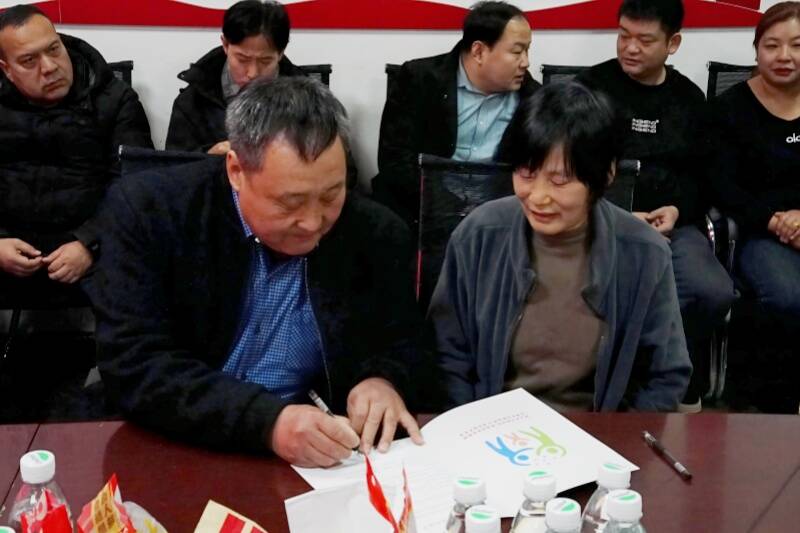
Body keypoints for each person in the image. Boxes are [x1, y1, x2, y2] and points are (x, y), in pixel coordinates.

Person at [87, 76, 425, 466]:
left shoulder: (377, 233)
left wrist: (383, 380)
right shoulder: (150, 212)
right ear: (236, 170)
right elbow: (134, 363)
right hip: (174, 439)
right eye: (290, 202)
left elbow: (403, 342)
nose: (313, 222)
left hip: (318, 453)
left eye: (331, 194)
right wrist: (267, 422)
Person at [428, 81, 691, 412]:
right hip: (494, 427)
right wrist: (472, 425)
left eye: (560, 180)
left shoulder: (645, 254)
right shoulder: (478, 236)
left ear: (606, 174)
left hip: (597, 431)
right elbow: (447, 355)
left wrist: (618, 436)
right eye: (526, 173)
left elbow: (666, 374)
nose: (538, 197)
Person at [577, 0, 734, 411]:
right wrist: (615, 211)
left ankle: (674, 378)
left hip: (674, 224)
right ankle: (625, 384)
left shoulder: (689, 100)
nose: (630, 48)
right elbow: (571, 166)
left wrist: (678, 209)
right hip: (600, 220)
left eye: (645, 40)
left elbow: (705, 176)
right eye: (623, 36)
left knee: (711, 291)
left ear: (672, 43)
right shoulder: (590, 89)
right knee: (616, 289)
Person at [0, 5, 152, 292]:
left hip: (96, 247)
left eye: (53, 49)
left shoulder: (114, 99)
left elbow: (135, 184)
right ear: (6, 70)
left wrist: (90, 243)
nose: (49, 67)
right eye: (29, 60)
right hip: (9, 246)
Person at [372, 0, 539, 232]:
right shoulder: (420, 80)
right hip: (421, 208)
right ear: (479, 51)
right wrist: (446, 205)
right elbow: (395, 160)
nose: (526, 63)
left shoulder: (533, 98)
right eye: (517, 52)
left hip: (495, 215)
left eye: (528, 50)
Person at [708, 1, 800, 412]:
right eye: (772, 45)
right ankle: (772, 408)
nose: (784, 56)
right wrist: (777, 221)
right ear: (756, 50)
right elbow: (722, 186)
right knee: (788, 296)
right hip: (758, 232)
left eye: (797, 45)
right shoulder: (731, 109)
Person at [165, 0, 304, 154]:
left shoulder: (307, 100)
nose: (253, 73)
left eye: (265, 61)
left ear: (281, 53)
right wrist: (208, 157)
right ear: (225, 45)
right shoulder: (193, 102)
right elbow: (174, 164)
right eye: (242, 60)